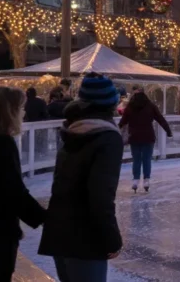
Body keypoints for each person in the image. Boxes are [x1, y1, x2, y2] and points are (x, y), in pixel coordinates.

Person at [39, 73, 125, 282]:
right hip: (86, 237)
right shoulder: (107, 137)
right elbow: (100, 194)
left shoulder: (71, 129)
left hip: (60, 231)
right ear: (110, 104)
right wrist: (111, 238)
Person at [0, 86, 47, 282]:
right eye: (20, 108)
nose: (23, 113)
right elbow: (13, 191)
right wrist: (43, 218)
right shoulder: (1, 143)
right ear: (9, 112)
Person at [118, 87, 173, 193]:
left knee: (137, 159)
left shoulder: (130, 106)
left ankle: (135, 180)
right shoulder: (151, 106)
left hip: (134, 137)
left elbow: (123, 121)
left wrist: (116, 129)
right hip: (148, 136)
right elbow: (160, 119)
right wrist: (168, 131)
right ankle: (146, 180)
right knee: (147, 159)